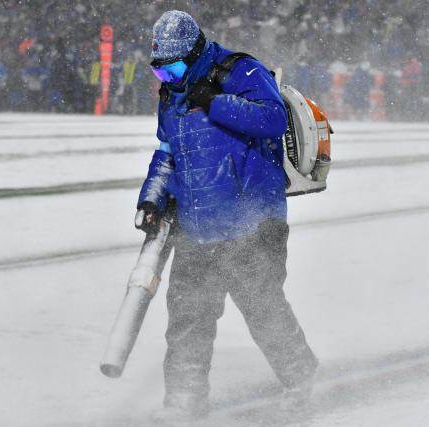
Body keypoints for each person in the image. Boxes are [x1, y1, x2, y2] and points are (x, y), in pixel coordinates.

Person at [135, 11, 318, 421]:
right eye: (162, 73)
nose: (171, 79)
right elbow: (167, 154)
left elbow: (273, 119)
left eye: (176, 69)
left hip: (252, 220)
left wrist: (215, 102)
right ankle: (183, 403)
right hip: (197, 228)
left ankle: (300, 380)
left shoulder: (241, 70)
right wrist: (151, 198)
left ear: (196, 51)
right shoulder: (171, 97)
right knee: (187, 321)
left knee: (263, 310)